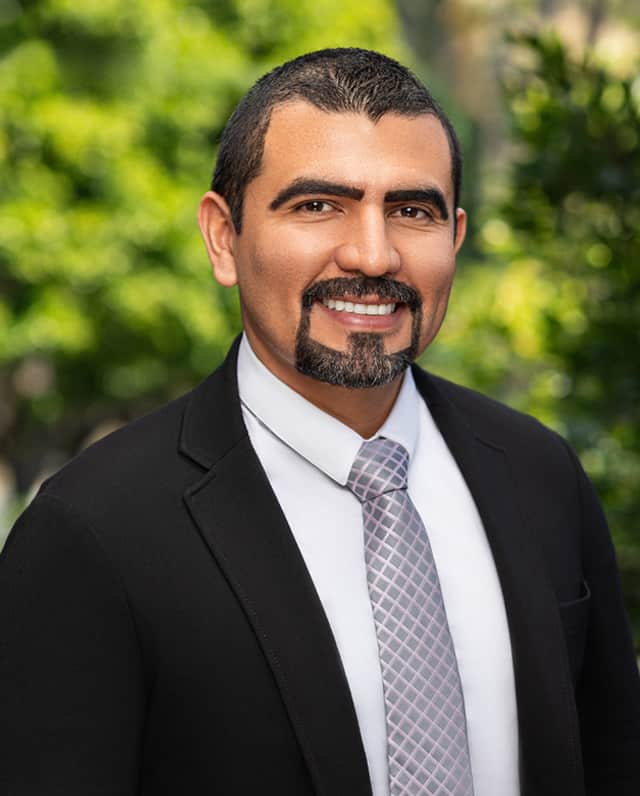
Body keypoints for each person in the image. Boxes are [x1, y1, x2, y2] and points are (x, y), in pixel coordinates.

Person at [0, 48, 638, 796]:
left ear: (456, 237)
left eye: (411, 210)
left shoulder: (539, 475)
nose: (373, 253)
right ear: (222, 237)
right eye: (316, 205)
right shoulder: (90, 532)